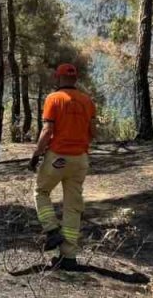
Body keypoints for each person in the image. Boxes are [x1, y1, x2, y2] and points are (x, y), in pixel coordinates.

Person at [30, 63, 97, 271]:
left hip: (58, 157)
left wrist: (36, 155)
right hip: (80, 159)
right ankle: (69, 258)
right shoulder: (87, 101)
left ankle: (51, 230)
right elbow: (92, 131)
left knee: (41, 191)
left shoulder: (53, 99)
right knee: (73, 206)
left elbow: (47, 130)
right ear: (75, 79)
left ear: (57, 78)